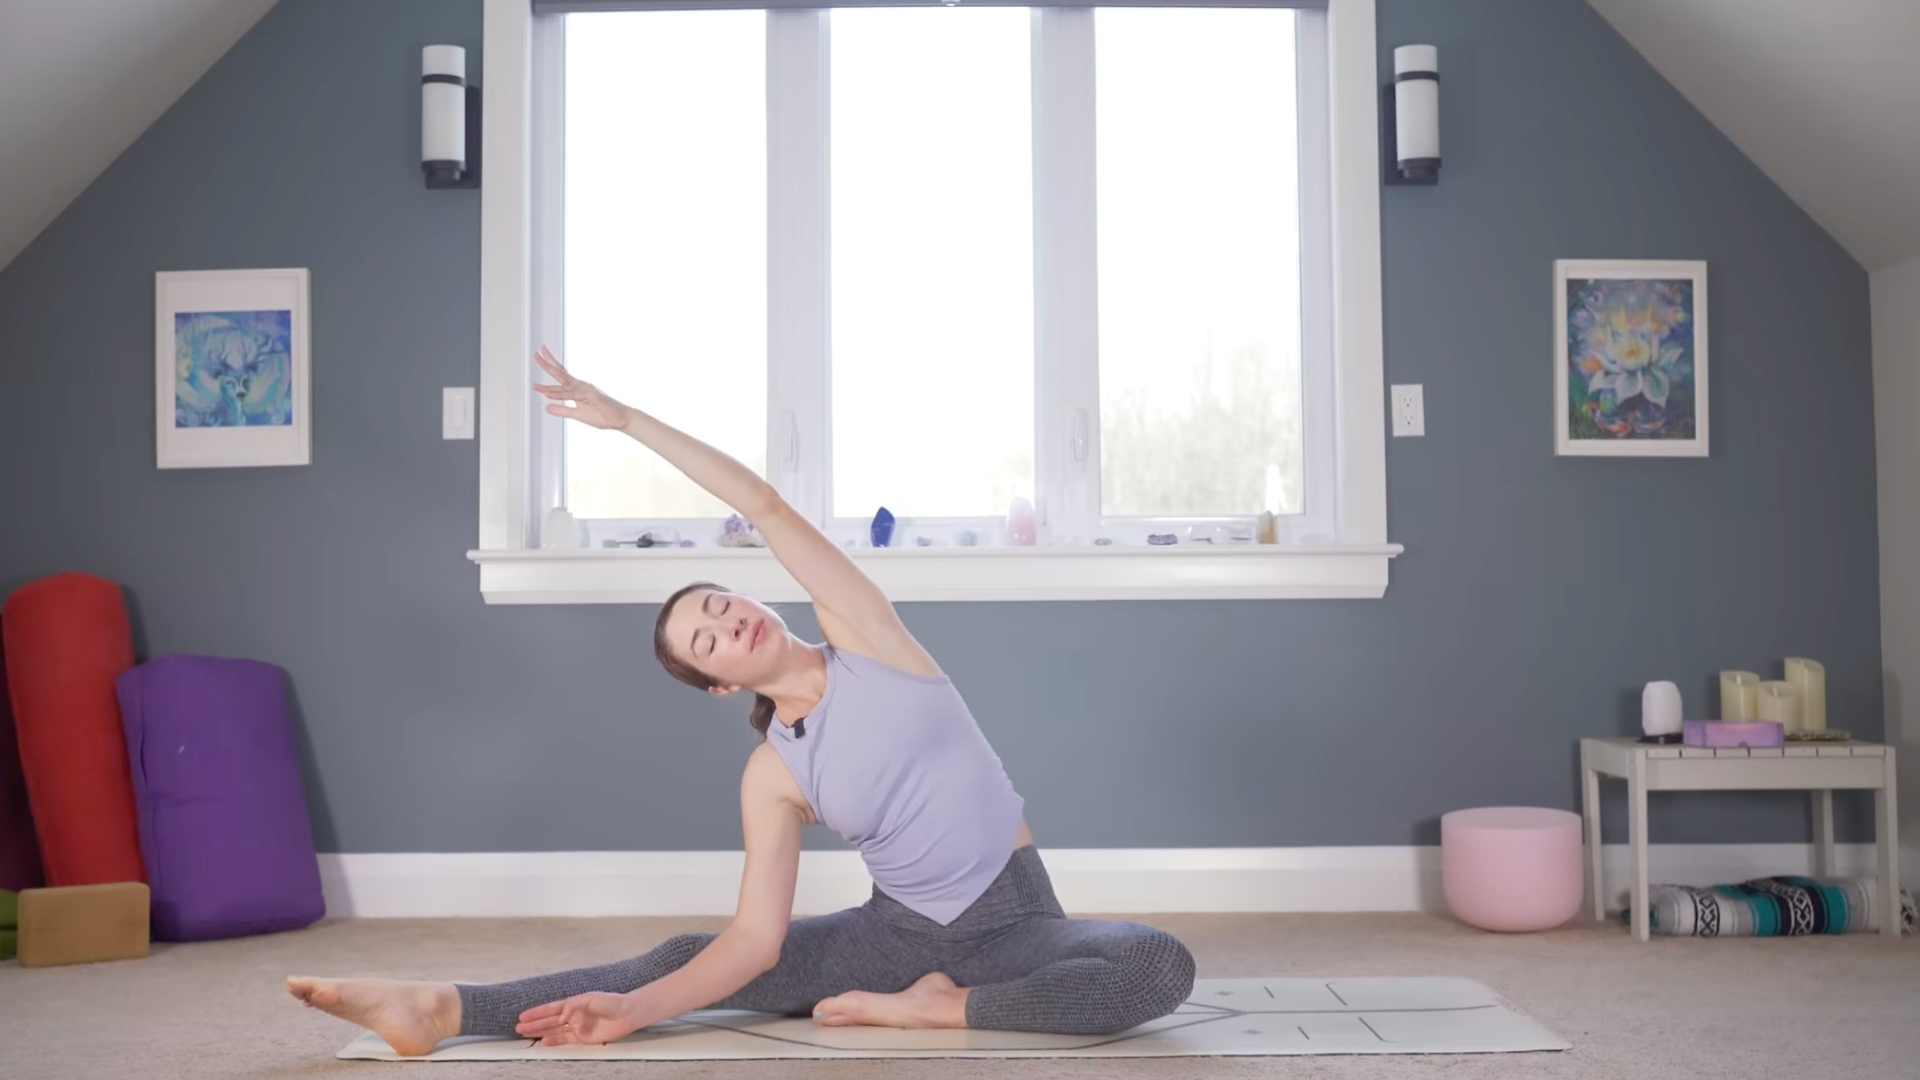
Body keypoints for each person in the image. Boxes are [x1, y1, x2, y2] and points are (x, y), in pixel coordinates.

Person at [287, 346, 1195, 1055]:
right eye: (706, 641)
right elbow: (754, 943)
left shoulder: (867, 638)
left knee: (1156, 965)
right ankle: (440, 1006)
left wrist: (627, 420)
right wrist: (634, 1010)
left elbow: (761, 502)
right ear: (720, 683)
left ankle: (938, 1011)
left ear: (758, 600)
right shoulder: (773, 774)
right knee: (689, 956)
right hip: (890, 938)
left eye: (723, 605)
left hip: (1019, 925)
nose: (727, 625)